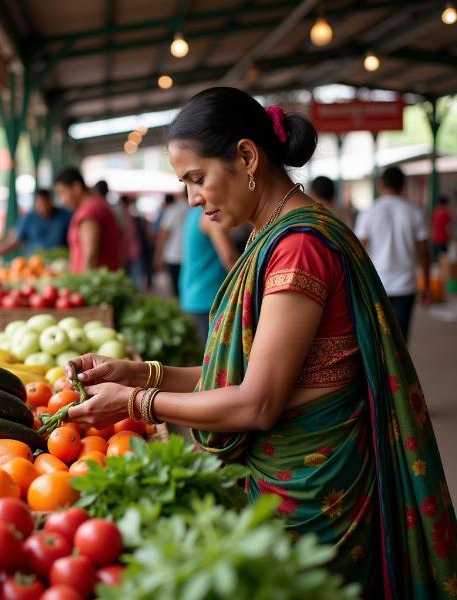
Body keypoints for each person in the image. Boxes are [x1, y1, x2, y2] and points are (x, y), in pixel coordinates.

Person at [64, 87, 457, 598]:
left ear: (247, 157)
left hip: (316, 497)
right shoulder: (266, 235)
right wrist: (139, 373)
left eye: (197, 179)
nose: (191, 198)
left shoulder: (297, 250)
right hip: (287, 480)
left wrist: (140, 404)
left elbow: (258, 403)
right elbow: (235, 379)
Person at [354, 167, 430, 342]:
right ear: (403, 186)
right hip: (406, 285)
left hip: (376, 284)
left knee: (378, 341)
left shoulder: (369, 213)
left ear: (381, 184)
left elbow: (358, 251)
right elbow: (424, 253)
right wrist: (425, 285)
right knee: (400, 341)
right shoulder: (415, 212)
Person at [180, 206, 239, 345]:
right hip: (208, 298)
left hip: (193, 294)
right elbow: (229, 257)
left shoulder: (194, 213)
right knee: (212, 359)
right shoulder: (209, 216)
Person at [54, 167, 121, 273]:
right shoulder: (94, 205)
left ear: (76, 188)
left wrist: (83, 285)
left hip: (96, 285)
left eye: (62, 193)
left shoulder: (90, 211)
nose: (62, 200)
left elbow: (90, 256)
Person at [0, 188, 71, 259]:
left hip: (61, 261)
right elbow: (15, 242)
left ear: (51, 201)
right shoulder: (28, 218)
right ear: (35, 204)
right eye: (40, 205)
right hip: (33, 262)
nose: (43, 208)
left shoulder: (65, 215)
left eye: (46, 204)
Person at [154, 194, 187, 296]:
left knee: (176, 291)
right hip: (190, 257)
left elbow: (164, 234)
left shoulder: (172, 210)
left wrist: (157, 255)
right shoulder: (196, 209)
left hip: (173, 256)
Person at [431, 196, 452, 261]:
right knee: (443, 260)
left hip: (435, 240)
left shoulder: (435, 212)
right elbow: (448, 227)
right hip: (443, 240)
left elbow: (432, 226)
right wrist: (451, 238)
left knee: (435, 261)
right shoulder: (446, 213)